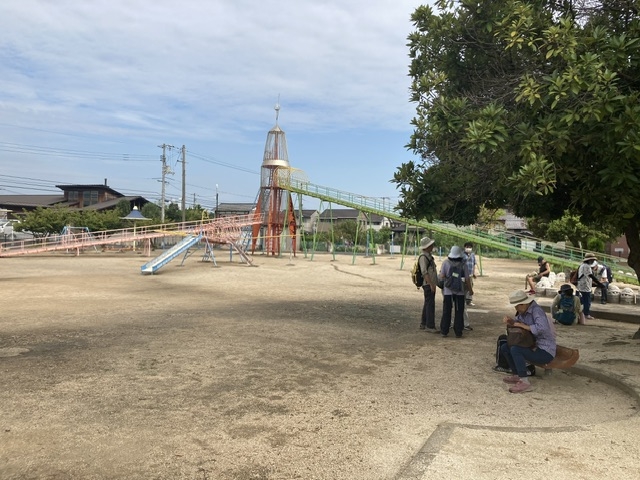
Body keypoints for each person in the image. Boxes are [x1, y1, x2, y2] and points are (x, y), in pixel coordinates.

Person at [500, 290, 556, 393]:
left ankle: (525, 381)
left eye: (516, 306)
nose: (515, 308)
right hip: (533, 345)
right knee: (505, 347)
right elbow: (518, 323)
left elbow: (542, 328)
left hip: (545, 350)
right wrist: (511, 321)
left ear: (523, 304)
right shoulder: (524, 311)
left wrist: (521, 325)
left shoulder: (536, 311)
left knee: (516, 350)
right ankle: (517, 374)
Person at [437, 245, 473, 338]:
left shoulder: (446, 263)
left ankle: (444, 330)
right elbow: (467, 279)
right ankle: (458, 332)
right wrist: (470, 290)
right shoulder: (463, 264)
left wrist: (448, 279)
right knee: (459, 311)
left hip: (448, 291)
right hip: (460, 291)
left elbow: (441, 276)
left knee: (447, 311)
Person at [418, 237, 439, 333]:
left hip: (430, 283)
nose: (432, 246)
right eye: (430, 245)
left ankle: (424, 323)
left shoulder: (428, 256)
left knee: (428, 303)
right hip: (427, 283)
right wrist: (430, 284)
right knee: (430, 304)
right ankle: (430, 325)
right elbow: (424, 272)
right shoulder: (423, 257)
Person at [577, 253, 604, 320]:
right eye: (592, 260)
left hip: (582, 285)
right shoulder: (586, 266)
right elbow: (591, 276)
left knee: (582, 300)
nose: (593, 261)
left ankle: (580, 312)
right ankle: (586, 314)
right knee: (587, 301)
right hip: (585, 286)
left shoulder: (582, 265)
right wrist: (599, 283)